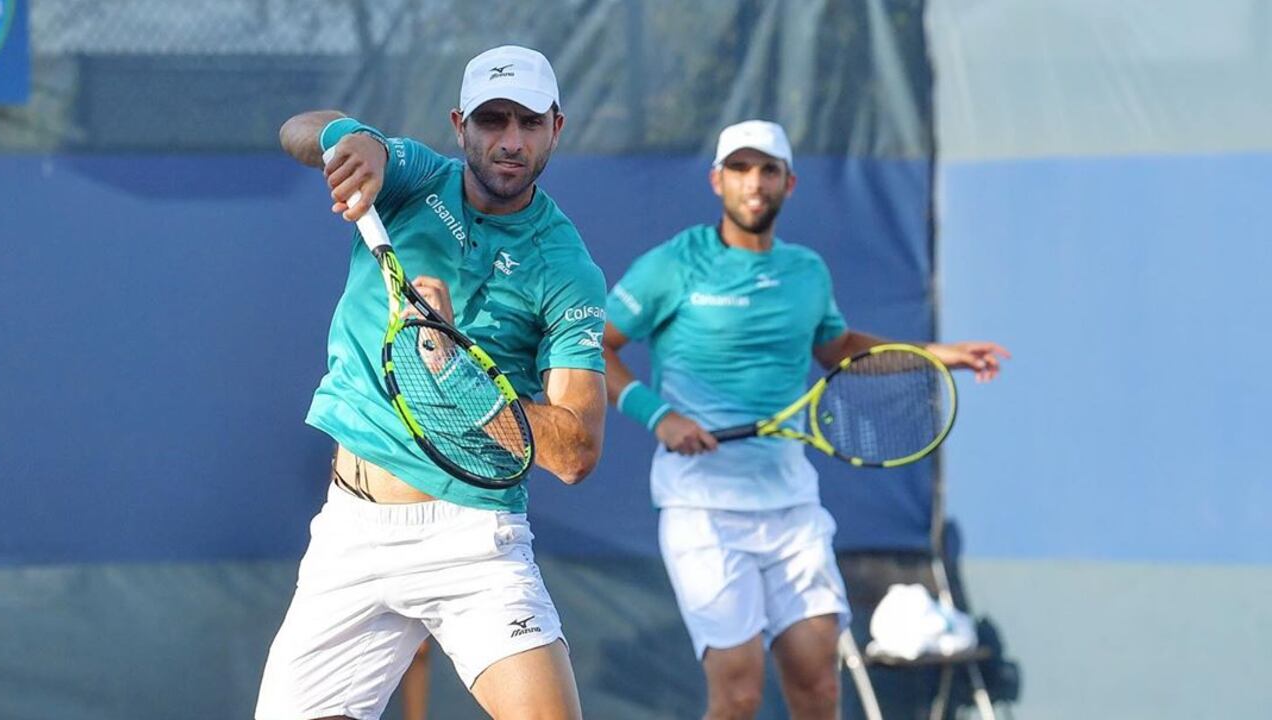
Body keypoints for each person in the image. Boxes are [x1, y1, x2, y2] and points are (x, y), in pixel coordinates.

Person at [601, 119, 1009, 720]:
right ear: (717, 181)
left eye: (768, 170)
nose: (754, 183)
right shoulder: (673, 265)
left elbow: (840, 350)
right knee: (738, 695)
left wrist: (936, 356)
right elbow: (594, 346)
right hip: (703, 512)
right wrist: (659, 416)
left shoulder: (807, 272)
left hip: (792, 509)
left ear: (788, 184)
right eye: (740, 169)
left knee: (819, 688)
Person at [256, 44, 607, 720]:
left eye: (529, 122)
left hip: (473, 539)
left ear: (556, 128)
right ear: (460, 125)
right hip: (350, 532)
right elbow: (300, 129)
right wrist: (356, 140)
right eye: (492, 120)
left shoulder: (565, 268)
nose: (510, 141)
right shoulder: (413, 177)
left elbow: (575, 453)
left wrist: (455, 366)